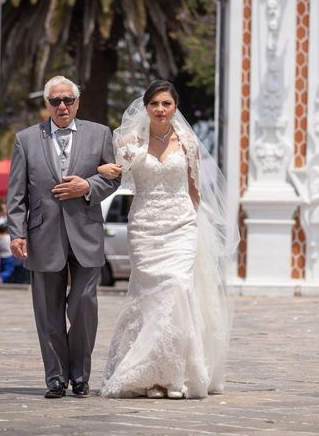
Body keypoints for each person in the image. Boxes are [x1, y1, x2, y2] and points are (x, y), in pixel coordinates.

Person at [98, 80, 237, 399]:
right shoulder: (129, 141)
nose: (160, 109)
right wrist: (104, 168)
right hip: (145, 225)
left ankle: (175, 375)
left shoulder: (188, 141)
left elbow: (194, 188)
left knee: (177, 286)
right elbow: (116, 175)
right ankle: (149, 377)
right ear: (145, 108)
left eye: (166, 104)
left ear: (175, 108)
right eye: (154, 104)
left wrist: (198, 226)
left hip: (181, 224)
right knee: (149, 296)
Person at [6, 75, 121, 399]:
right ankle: (56, 377)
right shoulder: (26, 139)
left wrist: (88, 187)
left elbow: (113, 177)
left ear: (77, 102)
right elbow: (16, 194)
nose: (62, 106)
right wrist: (17, 232)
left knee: (84, 304)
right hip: (42, 234)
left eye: (67, 100)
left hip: (85, 231)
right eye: (55, 100)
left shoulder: (100, 134)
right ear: (47, 104)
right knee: (48, 310)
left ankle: (80, 376)